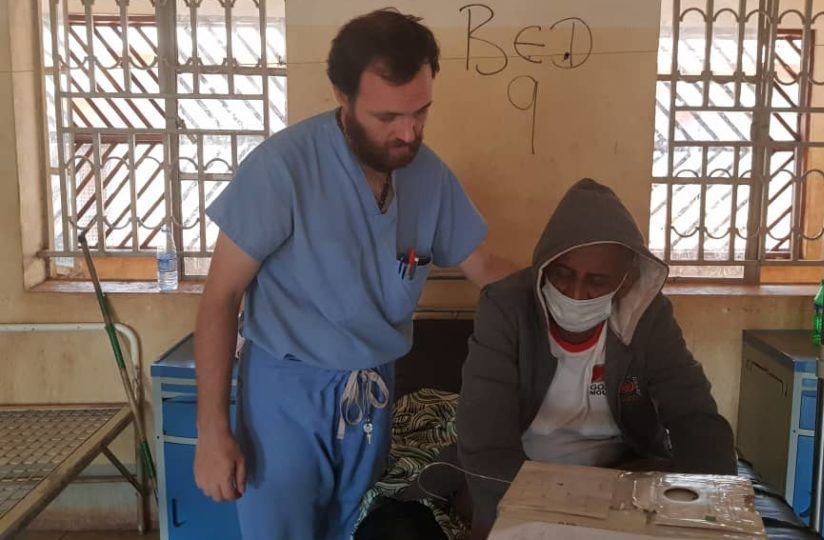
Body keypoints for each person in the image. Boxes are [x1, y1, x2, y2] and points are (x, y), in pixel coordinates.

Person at [193, 10, 515, 539]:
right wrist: (213, 431)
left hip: (372, 394)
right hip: (286, 400)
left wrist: (571, 289)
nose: (408, 133)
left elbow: (486, 268)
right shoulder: (283, 169)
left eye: (421, 112)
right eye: (387, 116)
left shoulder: (428, 176)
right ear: (342, 97)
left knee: (358, 530)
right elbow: (219, 298)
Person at [457, 178, 736, 537]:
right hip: (523, 474)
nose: (575, 292)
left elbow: (693, 414)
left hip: (622, 476)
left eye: (597, 281)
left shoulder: (647, 316)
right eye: (562, 274)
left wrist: (712, 510)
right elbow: (485, 436)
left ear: (626, 279)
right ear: (545, 264)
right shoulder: (506, 307)